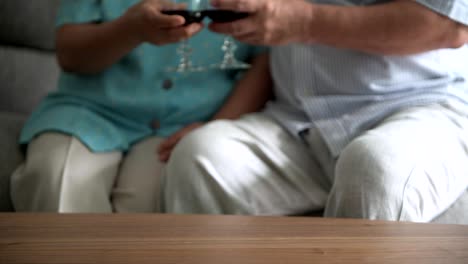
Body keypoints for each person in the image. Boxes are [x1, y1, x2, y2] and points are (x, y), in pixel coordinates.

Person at [160, 0, 468, 222]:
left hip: (420, 108)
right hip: (296, 121)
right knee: (199, 155)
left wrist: (302, 21)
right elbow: (274, 44)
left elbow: (446, 25)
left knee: (376, 166)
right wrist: (220, 121)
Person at [10, 0, 271, 213]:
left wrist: (214, 127)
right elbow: (70, 56)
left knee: (150, 210)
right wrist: (131, 29)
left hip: (185, 127)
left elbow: (265, 62)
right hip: (89, 112)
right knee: (57, 180)